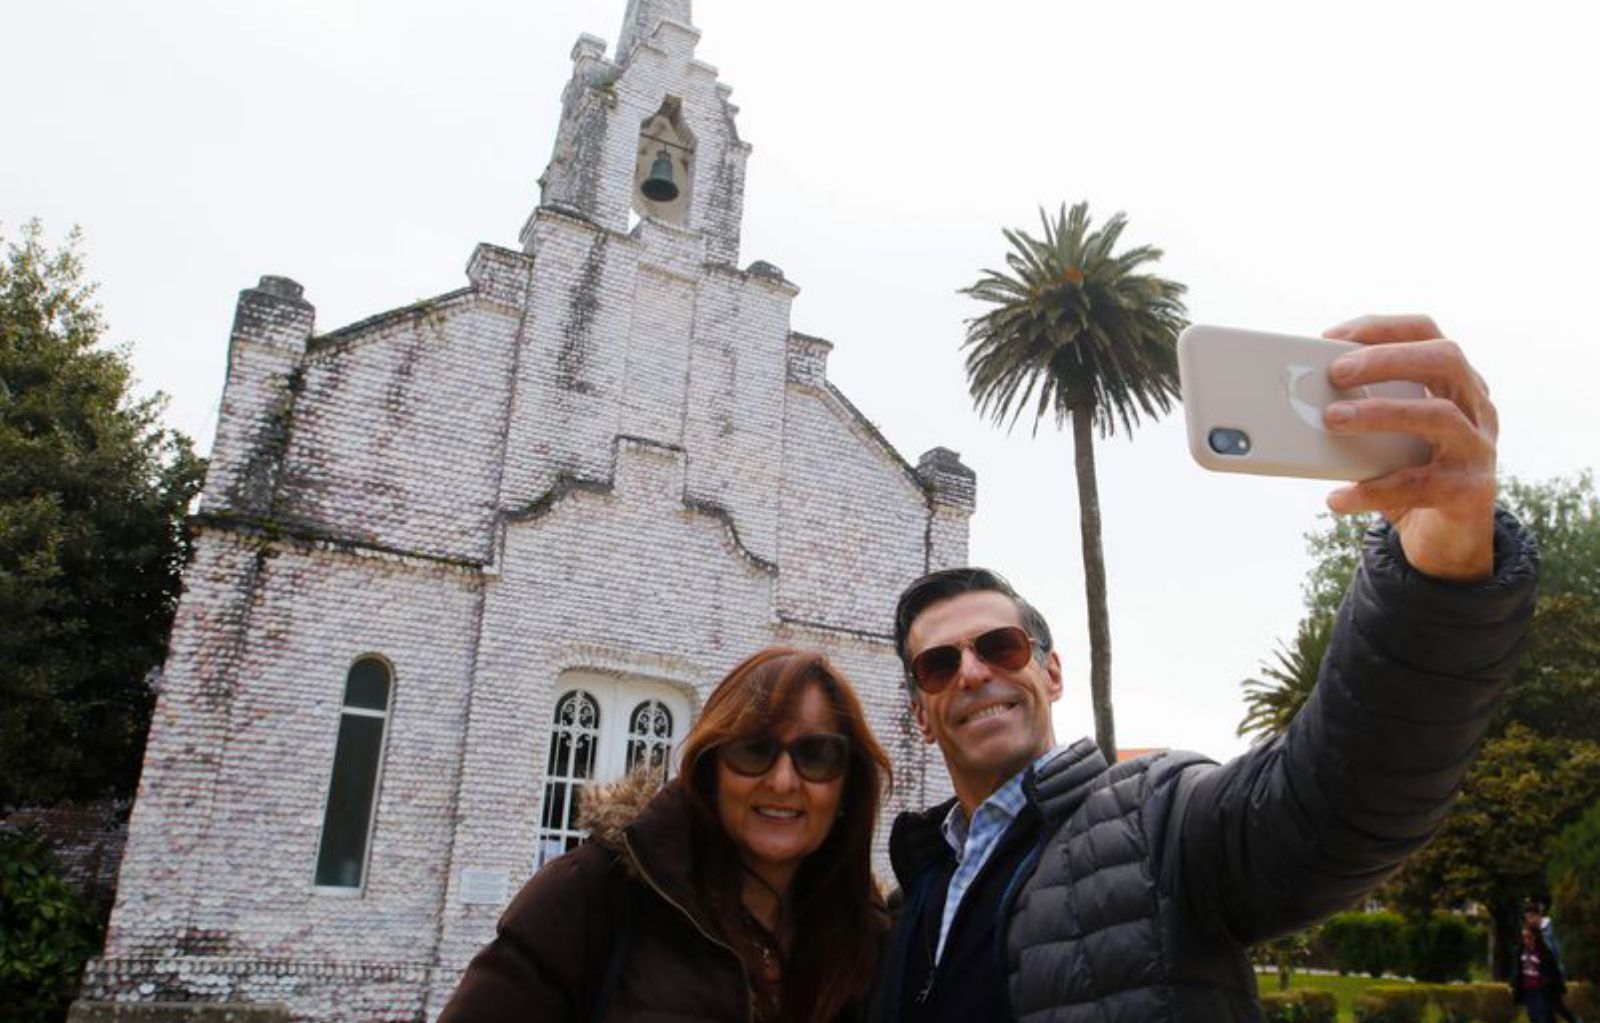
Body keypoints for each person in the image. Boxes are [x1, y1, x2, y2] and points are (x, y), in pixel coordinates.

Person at [874, 314, 1540, 1022]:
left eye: (999, 646)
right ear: (920, 712)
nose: (974, 672)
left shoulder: (1155, 824)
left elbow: (1341, 798)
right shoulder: (912, 893)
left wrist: (1439, 566)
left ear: (1053, 671)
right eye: (941, 664)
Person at [440, 648, 894, 1023]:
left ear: (847, 786)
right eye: (753, 750)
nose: (781, 781)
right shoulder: (592, 892)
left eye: (816, 755)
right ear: (710, 769)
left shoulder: (870, 937)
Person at [1525, 900, 1582, 1023]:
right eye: (1527, 918)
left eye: (1531, 917)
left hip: (1551, 977)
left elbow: (1552, 954)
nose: (1529, 920)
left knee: (1552, 1007)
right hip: (1541, 978)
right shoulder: (1534, 932)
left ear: (1538, 916)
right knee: (1550, 1008)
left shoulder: (1548, 931)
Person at [1513, 924, 1568, 1023]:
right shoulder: (1521, 952)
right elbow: (1518, 972)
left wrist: (1552, 989)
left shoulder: (1543, 952)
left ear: (1535, 937)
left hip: (1541, 991)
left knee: (1544, 1017)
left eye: (1529, 937)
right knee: (1533, 1017)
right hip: (1529, 991)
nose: (1526, 940)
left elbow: (1553, 973)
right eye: (1524, 937)